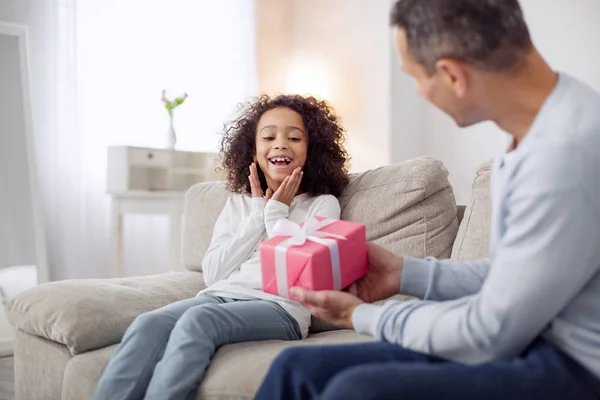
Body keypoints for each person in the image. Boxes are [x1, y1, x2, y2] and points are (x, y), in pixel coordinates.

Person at [256, 1, 600, 399]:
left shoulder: (566, 154)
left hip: (578, 365)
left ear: (452, 75)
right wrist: (403, 273)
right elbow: (512, 277)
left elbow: (489, 333)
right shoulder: (535, 132)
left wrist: (361, 316)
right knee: (295, 368)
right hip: (530, 342)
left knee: (357, 392)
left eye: (416, 78)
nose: (419, 92)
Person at [92, 94, 349, 400]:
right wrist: (257, 214)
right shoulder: (239, 205)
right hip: (219, 297)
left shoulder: (323, 205)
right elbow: (213, 274)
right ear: (252, 150)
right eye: (269, 136)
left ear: (312, 149)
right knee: (149, 323)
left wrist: (276, 212)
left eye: (294, 137)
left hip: (281, 309)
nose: (280, 144)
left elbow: (300, 272)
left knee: (199, 321)